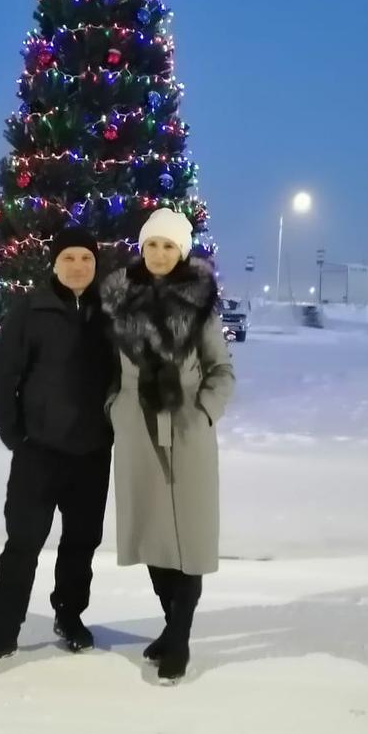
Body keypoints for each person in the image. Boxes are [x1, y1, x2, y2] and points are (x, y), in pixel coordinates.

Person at [0, 228, 114, 673]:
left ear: (95, 264)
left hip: (92, 453)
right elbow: (2, 377)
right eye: (69, 257)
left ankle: (69, 616)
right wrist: (16, 437)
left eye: (86, 258)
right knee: (22, 544)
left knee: (81, 544)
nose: (78, 266)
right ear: (55, 263)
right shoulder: (30, 310)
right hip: (39, 453)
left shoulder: (110, 313)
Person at [100, 208, 235, 684]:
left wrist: (204, 413)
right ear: (143, 248)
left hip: (187, 434)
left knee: (188, 541)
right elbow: (108, 369)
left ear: (182, 252)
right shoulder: (118, 301)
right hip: (137, 435)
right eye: (153, 245)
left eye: (169, 246)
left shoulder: (200, 306)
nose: (159, 254)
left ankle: (179, 637)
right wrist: (115, 406)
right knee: (153, 535)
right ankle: (170, 625)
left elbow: (222, 370)